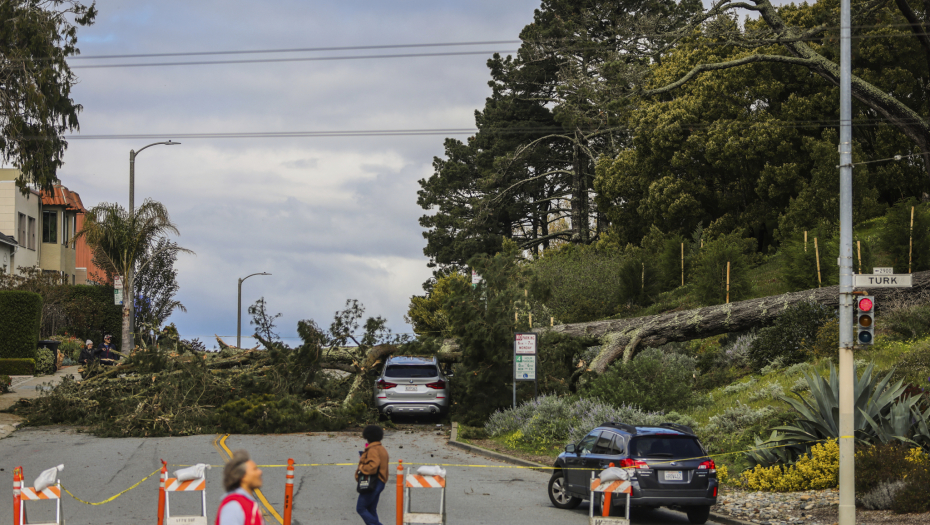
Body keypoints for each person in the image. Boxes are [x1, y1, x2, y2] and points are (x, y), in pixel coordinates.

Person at [217, 450, 264, 525]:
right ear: (243, 477)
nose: (260, 472)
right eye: (254, 469)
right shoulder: (234, 507)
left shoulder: (247, 503)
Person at [356, 425, 389, 525]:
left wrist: (361, 467)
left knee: (361, 508)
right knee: (371, 509)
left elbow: (373, 466)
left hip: (373, 482)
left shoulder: (372, 449)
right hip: (380, 482)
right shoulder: (381, 448)